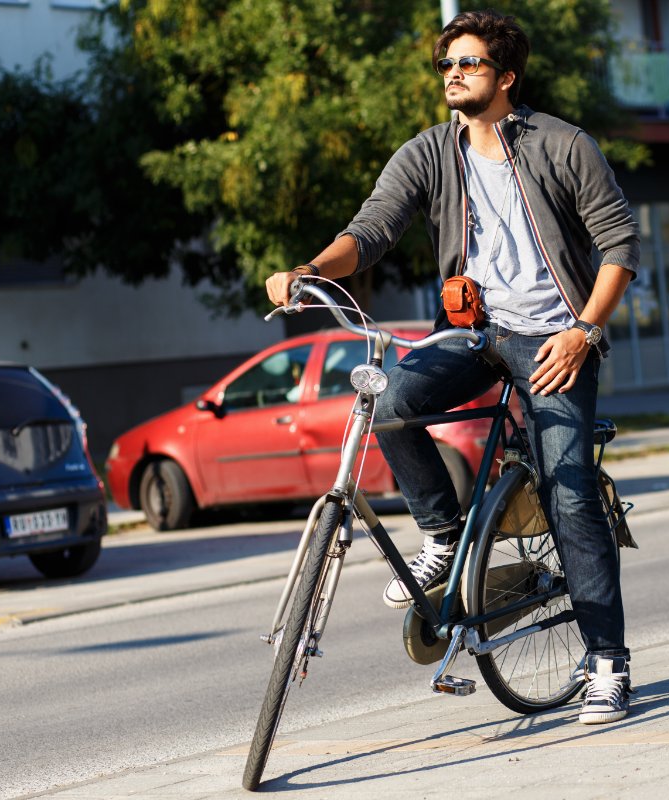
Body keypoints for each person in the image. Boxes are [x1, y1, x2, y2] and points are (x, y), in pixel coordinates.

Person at [265, 9, 639, 725]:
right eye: (446, 65)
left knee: (569, 496)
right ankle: (442, 531)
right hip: (472, 333)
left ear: (505, 77)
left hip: (556, 339)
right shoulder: (428, 154)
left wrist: (584, 331)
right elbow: (369, 231)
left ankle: (607, 663)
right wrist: (309, 270)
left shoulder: (564, 145)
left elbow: (620, 246)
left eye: (468, 64)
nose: (453, 75)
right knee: (393, 403)